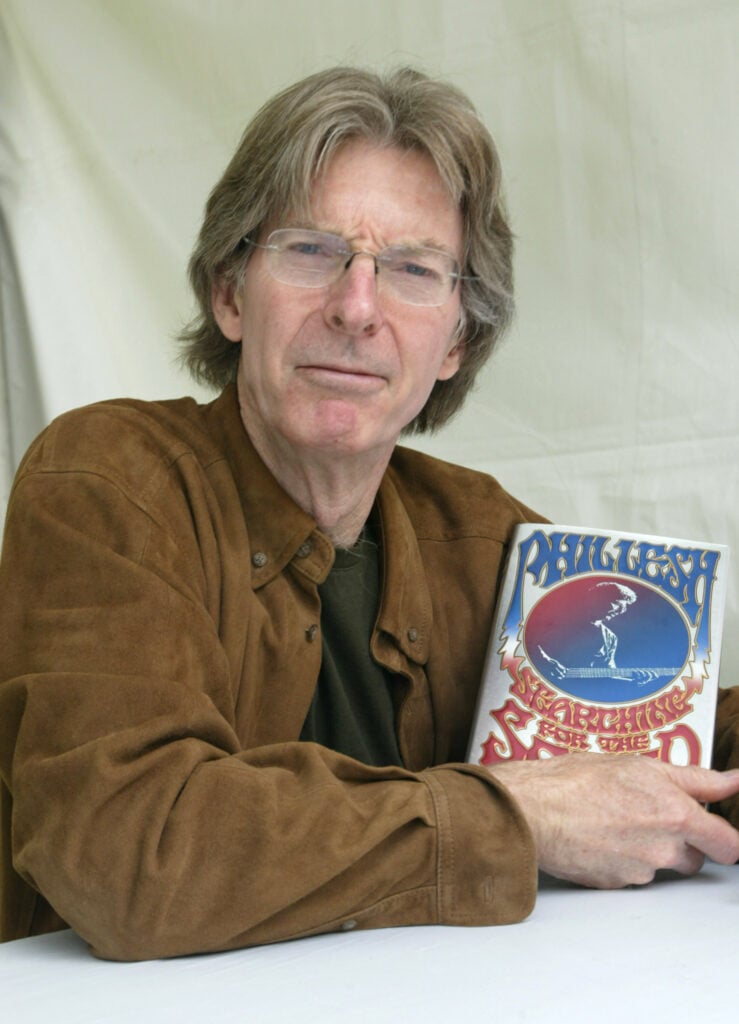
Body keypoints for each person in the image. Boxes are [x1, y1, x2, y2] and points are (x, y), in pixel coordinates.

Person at [0, 66, 737, 962]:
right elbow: (128, 852)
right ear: (231, 294)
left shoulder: (481, 532)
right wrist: (516, 819)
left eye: (412, 270)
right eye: (311, 252)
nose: (356, 307)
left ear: (457, 341)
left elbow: (665, 730)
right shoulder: (110, 484)